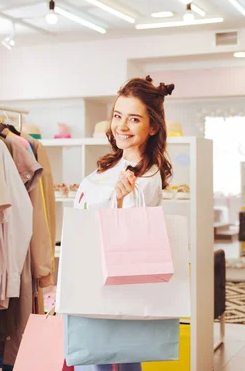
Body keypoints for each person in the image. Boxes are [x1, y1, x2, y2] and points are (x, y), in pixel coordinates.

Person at [72, 75, 174, 371]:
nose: (121, 126)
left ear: (153, 127)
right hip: (92, 277)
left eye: (133, 119)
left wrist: (119, 201)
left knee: (103, 360)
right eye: (117, 116)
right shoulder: (115, 165)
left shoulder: (144, 178)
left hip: (110, 286)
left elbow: (129, 239)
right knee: (109, 359)